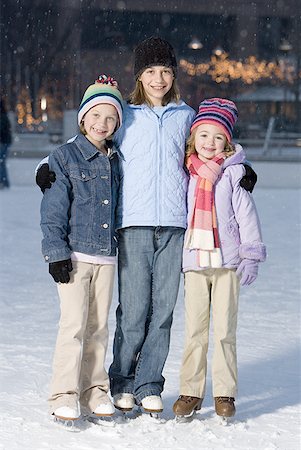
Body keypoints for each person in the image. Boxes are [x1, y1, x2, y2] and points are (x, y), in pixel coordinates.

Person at [35, 37, 258, 415]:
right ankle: (121, 382)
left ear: (173, 76)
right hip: (133, 223)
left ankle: (150, 381)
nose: (159, 79)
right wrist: (47, 162)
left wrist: (243, 165)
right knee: (134, 310)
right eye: (151, 72)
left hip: (175, 226)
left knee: (164, 311)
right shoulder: (126, 115)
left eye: (166, 71)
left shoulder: (186, 116)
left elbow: (214, 144)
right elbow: (91, 137)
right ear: (140, 75)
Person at [172, 98, 266, 420]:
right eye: (203, 136)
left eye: (217, 138)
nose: (209, 143)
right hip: (196, 261)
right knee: (195, 330)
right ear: (193, 139)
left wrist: (250, 255)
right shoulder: (188, 172)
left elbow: (247, 216)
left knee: (225, 330)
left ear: (226, 142)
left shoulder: (234, 174)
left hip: (228, 262)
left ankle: (224, 392)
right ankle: (191, 391)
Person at [40, 75, 124, 422]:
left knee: (99, 327)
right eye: (95, 116)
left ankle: (95, 390)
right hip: (75, 255)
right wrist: (55, 252)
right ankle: (64, 393)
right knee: (73, 326)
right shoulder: (64, 157)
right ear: (83, 118)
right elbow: (54, 207)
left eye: (110, 118)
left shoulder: (117, 160)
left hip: (106, 256)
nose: (101, 124)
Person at [0, 97, 12, 189]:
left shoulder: (2, 117)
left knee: (1, 162)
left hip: (3, 142)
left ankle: (3, 182)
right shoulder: (4, 115)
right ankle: (4, 181)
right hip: (4, 141)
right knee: (1, 162)